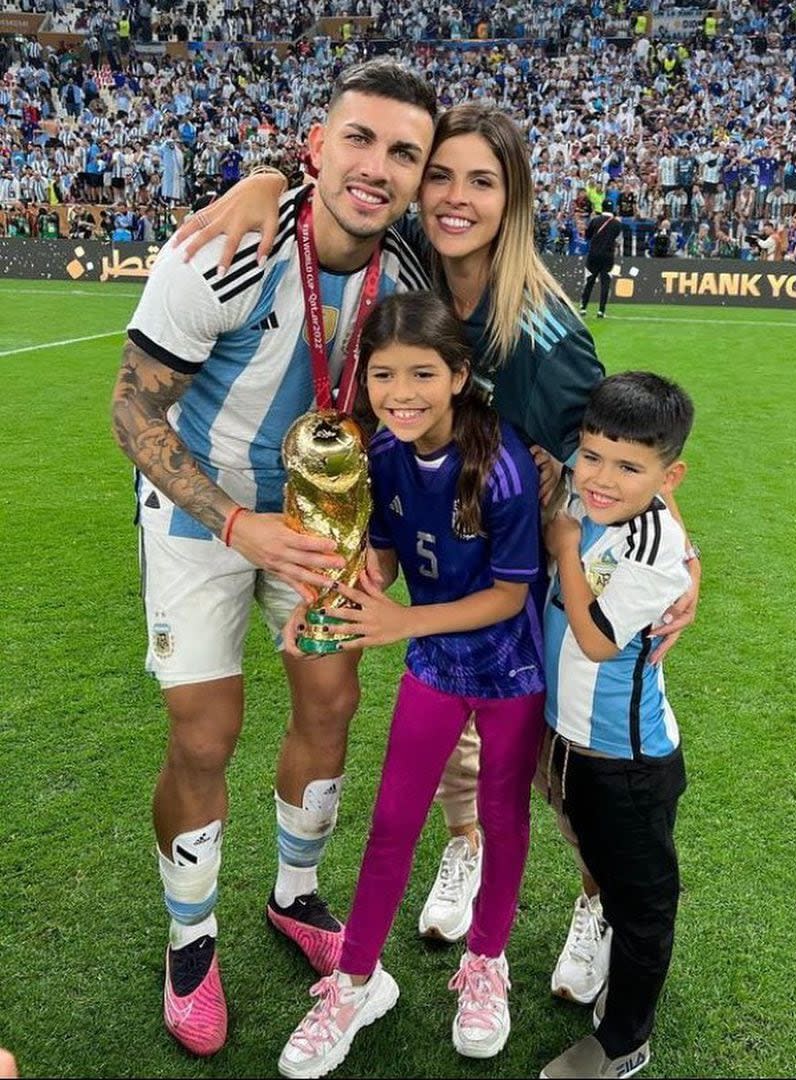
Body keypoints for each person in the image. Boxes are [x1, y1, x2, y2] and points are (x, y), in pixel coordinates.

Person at [175, 100, 699, 1023]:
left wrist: (679, 560)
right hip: (441, 550)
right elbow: (334, 196)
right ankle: (464, 850)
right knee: (462, 739)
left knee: (550, 755)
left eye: (481, 181)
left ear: (515, 197)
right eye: (441, 175)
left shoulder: (541, 326)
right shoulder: (412, 258)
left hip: (534, 563)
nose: (454, 197)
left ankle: (595, 902)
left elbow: (614, 450)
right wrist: (265, 182)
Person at [110, 59, 438, 1057]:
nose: (376, 167)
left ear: (420, 177)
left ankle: (296, 895)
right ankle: (190, 939)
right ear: (317, 143)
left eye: (403, 153)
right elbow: (132, 407)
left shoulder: (411, 278)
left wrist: (370, 536)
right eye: (359, 139)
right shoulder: (225, 249)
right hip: (198, 507)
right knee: (205, 736)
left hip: (321, 518)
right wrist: (233, 524)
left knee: (331, 703)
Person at [277, 291, 546, 1078]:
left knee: (502, 817)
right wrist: (327, 605)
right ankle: (356, 981)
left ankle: (487, 966)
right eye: (383, 374)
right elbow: (386, 560)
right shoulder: (383, 458)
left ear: (459, 375)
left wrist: (401, 625)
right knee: (392, 821)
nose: (400, 393)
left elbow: (507, 594)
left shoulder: (500, 466)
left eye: (422, 374)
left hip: (508, 673)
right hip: (434, 668)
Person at [539, 371, 696, 1080]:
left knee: (642, 905)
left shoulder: (652, 549)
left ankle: (624, 1040)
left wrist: (565, 546)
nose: (601, 479)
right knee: (599, 867)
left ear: (670, 476)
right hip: (565, 745)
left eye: (629, 467)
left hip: (625, 764)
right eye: (592, 455)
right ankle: (598, 936)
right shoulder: (585, 495)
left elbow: (599, 640)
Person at [579, 208, 622, 318]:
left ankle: (583, 307)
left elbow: (587, 236)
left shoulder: (595, 220)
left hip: (594, 254)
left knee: (590, 281)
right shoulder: (616, 223)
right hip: (608, 256)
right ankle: (601, 311)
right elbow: (617, 238)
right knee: (605, 283)